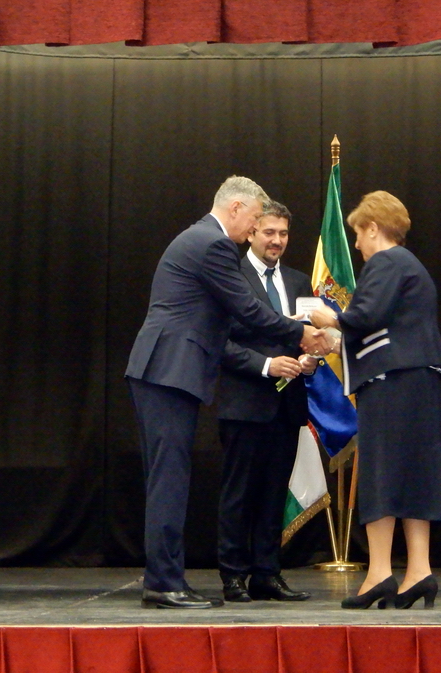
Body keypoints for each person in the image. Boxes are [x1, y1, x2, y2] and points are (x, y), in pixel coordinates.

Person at [126, 175, 329, 610]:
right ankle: (163, 583)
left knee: (167, 480)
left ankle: (165, 578)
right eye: (255, 219)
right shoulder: (213, 244)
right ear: (236, 208)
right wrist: (301, 334)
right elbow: (248, 309)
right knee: (169, 481)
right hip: (168, 371)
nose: (254, 229)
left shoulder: (198, 239)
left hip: (163, 370)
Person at [309, 190, 441, 611]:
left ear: (373, 228)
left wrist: (327, 318)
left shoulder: (387, 261)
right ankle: (419, 570)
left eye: (358, 234)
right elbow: (381, 326)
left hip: (392, 382)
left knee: (381, 470)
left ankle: (379, 573)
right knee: (415, 471)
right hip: (416, 380)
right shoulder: (410, 265)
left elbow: (365, 317)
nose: (355, 245)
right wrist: (339, 337)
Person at [216, 201, 316, 603]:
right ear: (252, 232)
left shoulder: (299, 281)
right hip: (243, 404)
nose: (277, 241)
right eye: (269, 232)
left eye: (284, 233)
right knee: (239, 494)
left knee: (275, 494)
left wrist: (310, 361)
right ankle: (233, 576)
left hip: (288, 406)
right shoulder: (231, 276)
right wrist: (266, 365)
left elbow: (306, 337)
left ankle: (267, 574)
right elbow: (218, 342)